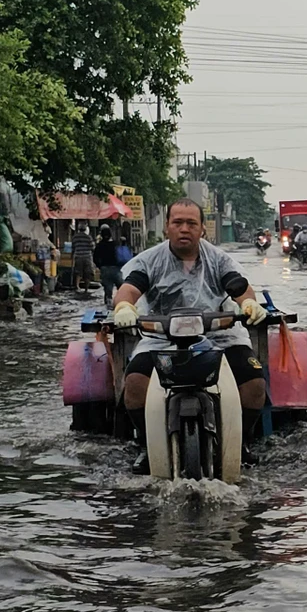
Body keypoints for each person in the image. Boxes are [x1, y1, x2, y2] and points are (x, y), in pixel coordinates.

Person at [112, 198, 269, 472]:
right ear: (167, 228)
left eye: (191, 223)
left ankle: (241, 442)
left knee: (255, 385)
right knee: (135, 385)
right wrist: (124, 306)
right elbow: (130, 288)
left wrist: (248, 303)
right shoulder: (150, 260)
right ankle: (148, 446)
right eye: (177, 222)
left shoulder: (219, 259)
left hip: (221, 335)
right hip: (161, 338)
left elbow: (238, 285)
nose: (184, 228)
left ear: (202, 230)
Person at [93, 225, 122, 306]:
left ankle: (108, 305)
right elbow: (121, 256)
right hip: (116, 269)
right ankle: (121, 302)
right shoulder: (116, 244)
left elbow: (95, 258)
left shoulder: (99, 245)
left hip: (105, 269)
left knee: (108, 290)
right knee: (121, 287)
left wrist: (100, 266)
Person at [71, 223, 95, 293]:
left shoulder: (75, 237)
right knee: (87, 273)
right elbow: (92, 247)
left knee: (78, 272)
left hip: (78, 256)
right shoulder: (88, 237)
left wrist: (72, 255)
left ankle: (77, 286)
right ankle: (86, 288)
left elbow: (73, 247)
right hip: (87, 257)